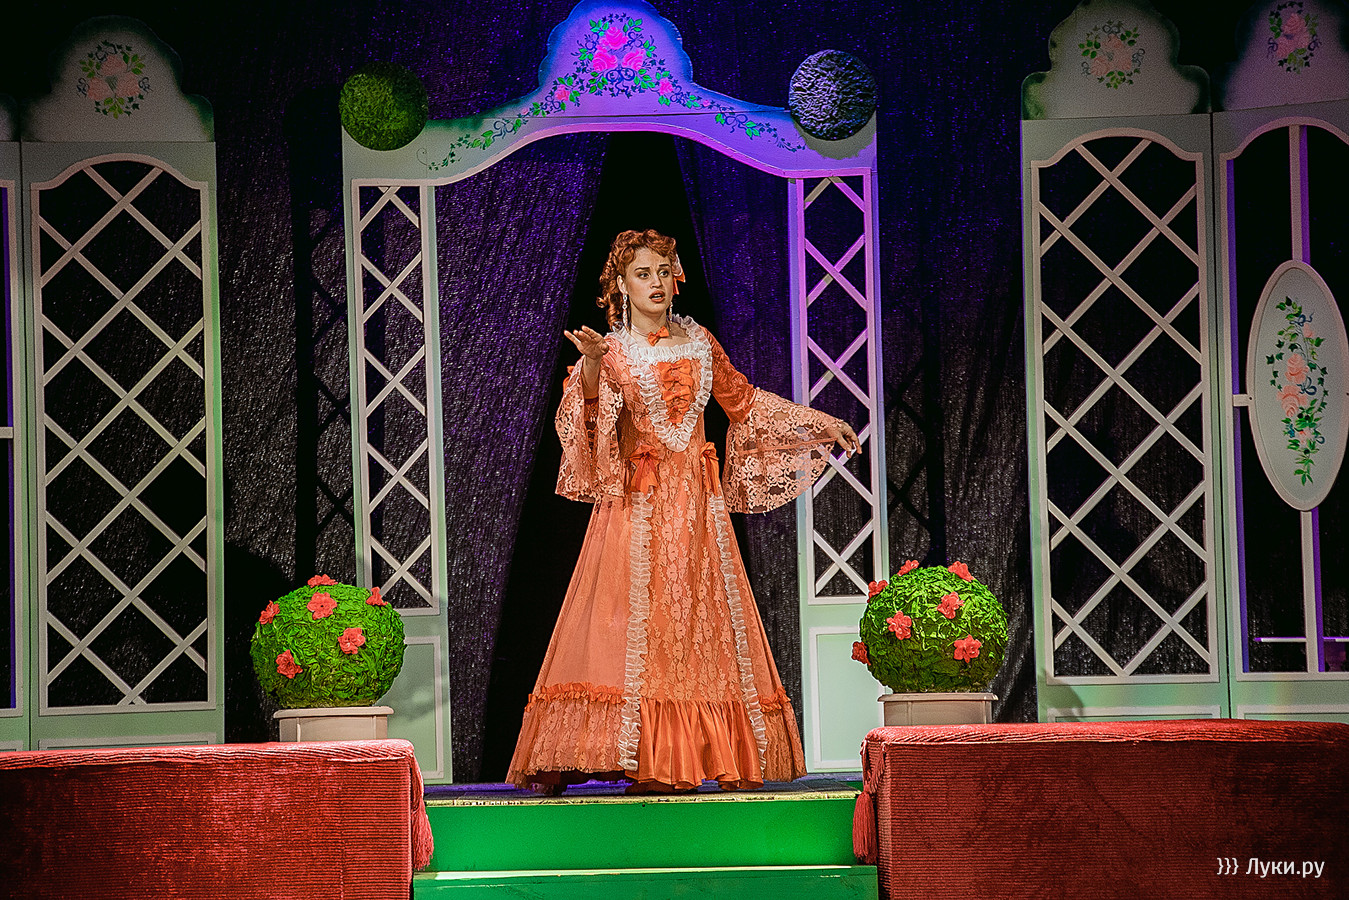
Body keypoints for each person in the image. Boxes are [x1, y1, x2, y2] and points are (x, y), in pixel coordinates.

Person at [507, 228, 858, 794]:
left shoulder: (699, 342)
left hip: (696, 512)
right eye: (642, 274)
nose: (656, 283)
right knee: (628, 627)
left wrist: (820, 423)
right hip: (636, 508)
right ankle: (619, 753)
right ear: (620, 285)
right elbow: (586, 425)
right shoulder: (613, 351)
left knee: (693, 628)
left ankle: (679, 758)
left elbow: (745, 403)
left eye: (663, 272)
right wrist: (593, 367)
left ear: (677, 279)